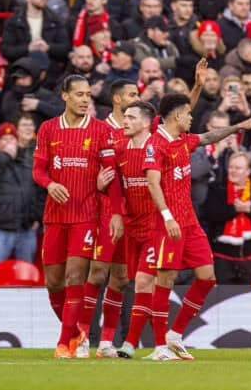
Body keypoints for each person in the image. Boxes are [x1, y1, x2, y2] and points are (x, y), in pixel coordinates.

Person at [142, 92, 251, 360]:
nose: (191, 117)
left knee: (207, 277)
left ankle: (175, 335)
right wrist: (167, 216)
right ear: (176, 115)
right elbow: (152, 182)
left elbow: (208, 137)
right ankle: (160, 347)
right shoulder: (155, 144)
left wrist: (238, 126)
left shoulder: (183, 140)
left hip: (190, 222)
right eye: (188, 113)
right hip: (168, 222)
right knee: (165, 280)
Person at [32, 74, 123, 359]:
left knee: (75, 276)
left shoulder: (100, 131)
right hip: (55, 215)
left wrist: (108, 198)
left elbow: (113, 176)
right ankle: (76, 334)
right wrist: (50, 184)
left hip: (86, 214)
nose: (85, 100)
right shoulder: (48, 129)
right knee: (53, 282)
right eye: (80, 94)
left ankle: (63, 344)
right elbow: (38, 170)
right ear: (65, 96)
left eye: (88, 95)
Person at [73, 79, 139, 358]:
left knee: (121, 278)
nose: (137, 97)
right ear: (116, 99)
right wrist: (95, 184)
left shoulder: (139, 130)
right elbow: (82, 171)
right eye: (132, 94)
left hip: (132, 212)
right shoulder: (100, 129)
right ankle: (82, 337)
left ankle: (106, 343)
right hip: (104, 212)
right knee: (98, 272)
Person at [97, 101, 159, 359]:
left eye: (131, 117)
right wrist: (101, 187)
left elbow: (180, 116)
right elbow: (113, 186)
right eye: (124, 116)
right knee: (124, 279)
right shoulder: (120, 149)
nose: (125, 121)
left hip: (157, 226)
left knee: (148, 282)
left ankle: (139, 343)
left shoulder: (159, 147)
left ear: (146, 122)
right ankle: (105, 342)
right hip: (130, 226)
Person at [0, 123, 42, 277]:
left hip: (26, 229)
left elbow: (38, 190)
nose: (8, 143)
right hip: (0, 229)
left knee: (26, 276)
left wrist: (36, 217)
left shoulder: (27, 160)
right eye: (4, 139)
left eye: (11, 139)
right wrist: (5, 156)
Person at [204, 152, 251, 284]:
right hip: (222, 255)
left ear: (248, 171)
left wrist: (250, 210)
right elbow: (210, 214)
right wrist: (234, 209)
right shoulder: (217, 187)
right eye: (231, 167)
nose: (233, 171)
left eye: (238, 168)